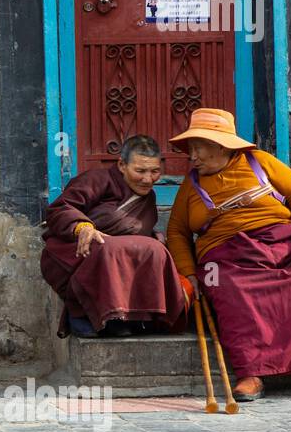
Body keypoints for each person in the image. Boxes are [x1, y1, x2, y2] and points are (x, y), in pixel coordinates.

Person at [166, 108, 291, 403]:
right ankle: (251, 373)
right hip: (226, 257)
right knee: (228, 287)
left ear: (220, 145)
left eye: (198, 147)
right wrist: (189, 273)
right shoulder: (192, 184)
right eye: (191, 149)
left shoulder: (260, 162)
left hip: (282, 243)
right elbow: (176, 232)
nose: (193, 156)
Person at [40, 135, 189, 338]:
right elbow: (60, 208)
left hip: (114, 257)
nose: (148, 179)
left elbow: (135, 231)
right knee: (106, 246)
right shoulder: (97, 179)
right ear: (121, 165)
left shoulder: (147, 198)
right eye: (140, 171)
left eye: (154, 171)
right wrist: (82, 227)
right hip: (76, 251)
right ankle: (81, 315)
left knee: (155, 249)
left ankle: (132, 316)